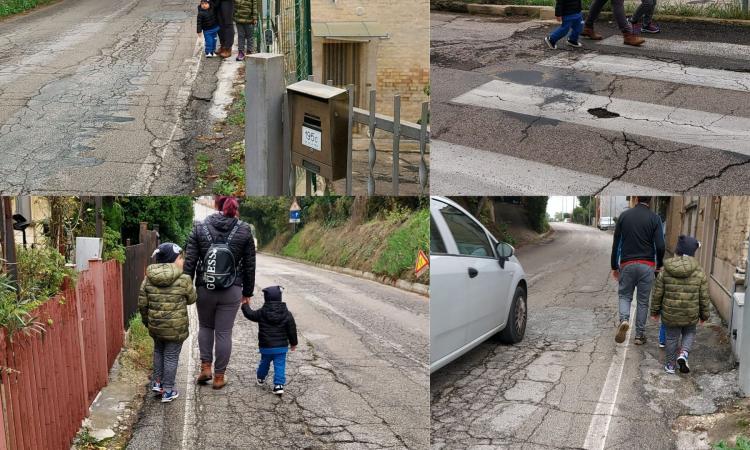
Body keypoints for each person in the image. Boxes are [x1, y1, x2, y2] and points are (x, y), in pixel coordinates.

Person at [184, 196, 256, 389]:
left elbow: (190, 261)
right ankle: (219, 377)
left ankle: (205, 368)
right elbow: (249, 264)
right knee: (224, 332)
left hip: (204, 288)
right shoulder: (244, 230)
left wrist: (185, 286)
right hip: (231, 289)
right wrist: (247, 291)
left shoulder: (199, 227)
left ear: (216, 205)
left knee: (206, 327)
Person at [138, 243, 198, 402]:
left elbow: (142, 304)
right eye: (180, 258)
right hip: (175, 328)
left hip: (156, 327)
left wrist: (147, 322)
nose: (183, 261)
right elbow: (192, 299)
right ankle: (168, 390)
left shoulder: (148, 278)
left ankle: (157, 383)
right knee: (171, 357)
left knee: (158, 352)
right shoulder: (184, 279)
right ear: (173, 259)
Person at [650, 236, 710, 374]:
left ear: (677, 250)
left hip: (670, 315)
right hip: (691, 313)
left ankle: (670, 366)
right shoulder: (699, 271)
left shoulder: (666, 270)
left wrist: (654, 312)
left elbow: (657, 293)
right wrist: (704, 315)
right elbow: (704, 296)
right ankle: (683, 354)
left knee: (671, 338)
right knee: (689, 332)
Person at [611, 196, 665, 345]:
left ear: (635, 199)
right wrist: (659, 264)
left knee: (625, 295)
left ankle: (624, 320)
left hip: (627, 263)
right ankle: (639, 336)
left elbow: (616, 243)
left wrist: (614, 266)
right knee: (642, 301)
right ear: (651, 200)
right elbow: (660, 245)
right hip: (647, 265)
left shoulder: (624, 216)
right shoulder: (655, 218)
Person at [241, 285, 298, 395]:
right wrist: (293, 343)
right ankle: (279, 385)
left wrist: (245, 304)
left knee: (264, 362)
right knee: (280, 365)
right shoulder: (287, 313)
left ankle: (261, 377)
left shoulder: (262, 312)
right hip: (281, 347)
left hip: (266, 346)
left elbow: (250, 314)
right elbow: (292, 329)